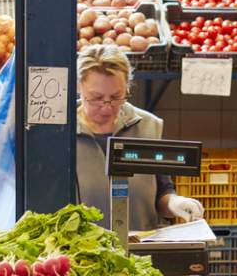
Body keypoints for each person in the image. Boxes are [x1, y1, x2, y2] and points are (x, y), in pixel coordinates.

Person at [74, 44, 205, 231]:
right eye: (96, 97)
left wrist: (175, 204)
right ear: (80, 87)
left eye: (116, 96)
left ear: (128, 86)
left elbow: (162, 192)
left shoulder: (148, 126)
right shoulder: (63, 132)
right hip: (81, 255)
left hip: (139, 252)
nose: (106, 106)